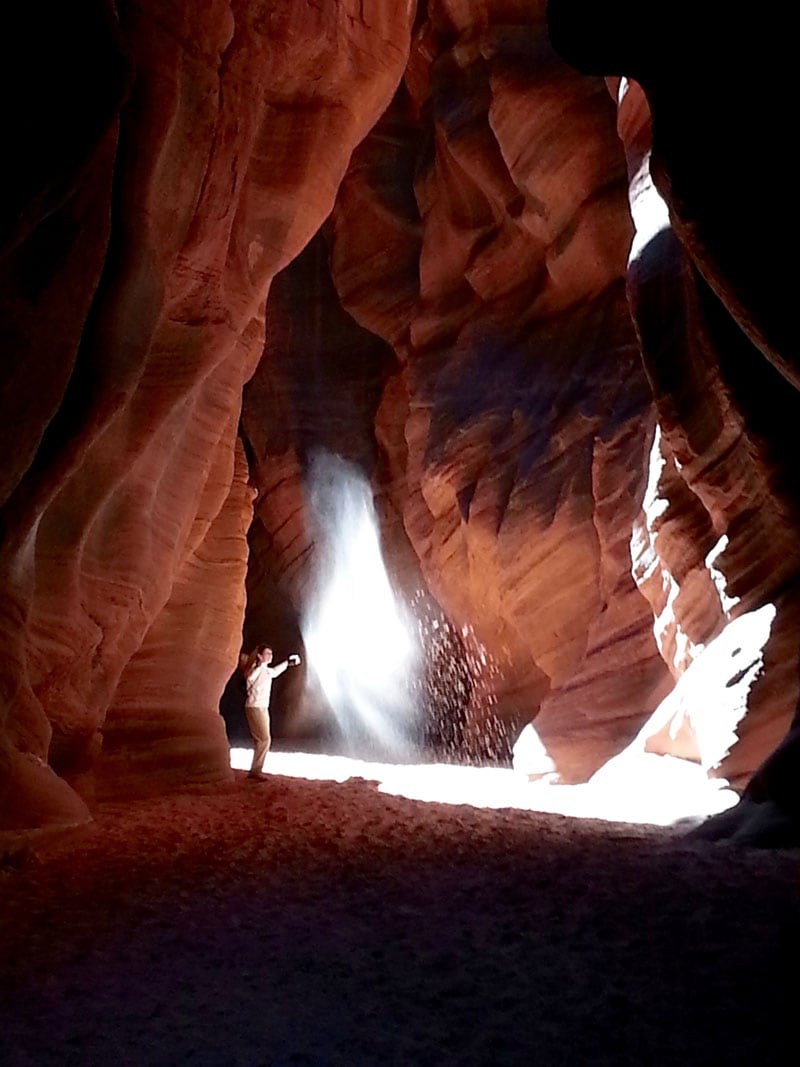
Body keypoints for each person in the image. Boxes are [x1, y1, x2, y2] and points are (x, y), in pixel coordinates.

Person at [241, 645, 302, 780]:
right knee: (264, 740)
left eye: (271, 653)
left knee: (262, 740)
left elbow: (275, 671)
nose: (271, 656)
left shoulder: (267, 671)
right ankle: (255, 772)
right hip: (255, 707)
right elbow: (250, 677)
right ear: (260, 656)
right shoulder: (255, 670)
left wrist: (288, 662)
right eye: (267, 653)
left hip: (262, 708)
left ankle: (255, 771)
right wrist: (259, 664)